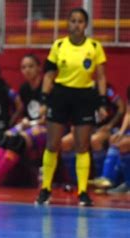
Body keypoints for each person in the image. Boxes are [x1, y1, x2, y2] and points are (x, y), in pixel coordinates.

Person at [35, 8, 108, 207]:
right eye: (73, 21)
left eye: (80, 21)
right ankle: (45, 189)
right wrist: (44, 100)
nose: (76, 24)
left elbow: (100, 76)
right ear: (68, 24)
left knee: (82, 145)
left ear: (86, 25)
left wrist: (102, 102)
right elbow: (49, 75)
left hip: (84, 97)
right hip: (60, 95)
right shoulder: (59, 46)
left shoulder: (94, 47)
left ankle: (83, 191)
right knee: (52, 144)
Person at [0, 54, 46, 187]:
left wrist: (29, 122)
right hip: (28, 125)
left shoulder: (46, 87)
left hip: (45, 127)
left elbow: (47, 118)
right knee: (6, 135)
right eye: (24, 67)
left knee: (19, 138)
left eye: (31, 66)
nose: (27, 70)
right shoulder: (24, 88)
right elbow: (24, 111)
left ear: (39, 68)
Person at [60, 84, 125, 184]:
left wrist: (110, 125)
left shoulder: (107, 89)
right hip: (86, 127)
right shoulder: (79, 90)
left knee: (95, 140)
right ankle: (75, 181)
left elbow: (121, 107)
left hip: (105, 128)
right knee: (65, 142)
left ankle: (100, 179)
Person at [94, 85, 130, 193]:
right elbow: (128, 113)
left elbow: (121, 108)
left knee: (124, 144)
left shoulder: (108, 90)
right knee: (116, 140)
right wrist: (121, 132)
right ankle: (108, 180)